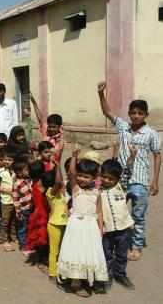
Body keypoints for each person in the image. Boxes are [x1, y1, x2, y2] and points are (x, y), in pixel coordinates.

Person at [97, 81, 161, 261]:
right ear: (129, 114)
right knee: (115, 211)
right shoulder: (123, 127)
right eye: (133, 112)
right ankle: (116, 242)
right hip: (120, 180)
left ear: (146, 115)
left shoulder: (151, 134)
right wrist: (101, 94)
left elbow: (157, 156)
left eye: (140, 113)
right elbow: (107, 112)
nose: (136, 116)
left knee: (138, 216)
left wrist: (155, 180)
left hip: (140, 181)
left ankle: (136, 246)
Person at [56, 147, 108, 297]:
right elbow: (72, 173)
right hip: (76, 226)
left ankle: (86, 278)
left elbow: (99, 211)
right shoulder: (75, 188)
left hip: (91, 227)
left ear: (94, 178)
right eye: (80, 175)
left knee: (88, 252)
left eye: (86, 177)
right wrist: (74, 157)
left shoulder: (97, 192)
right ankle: (75, 283)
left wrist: (100, 228)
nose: (82, 179)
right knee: (76, 251)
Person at [100, 159, 135, 292]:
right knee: (107, 254)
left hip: (123, 230)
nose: (107, 181)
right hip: (107, 231)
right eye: (104, 177)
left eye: (111, 178)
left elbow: (127, 171)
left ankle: (120, 274)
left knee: (121, 254)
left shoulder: (120, 187)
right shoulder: (98, 191)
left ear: (117, 179)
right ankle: (108, 276)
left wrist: (132, 156)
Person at [45, 160, 68, 285]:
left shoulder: (61, 194)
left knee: (63, 250)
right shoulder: (50, 193)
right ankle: (52, 274)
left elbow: (61, 182)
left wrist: (57, 167)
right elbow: (59, 182)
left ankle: (62, 272)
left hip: (64, 224)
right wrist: (58, 166)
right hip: (54, 224)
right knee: (54, 251)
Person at [0, 146, 17, 252]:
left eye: (10, 160)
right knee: (5, 221)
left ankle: (13, 237)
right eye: (5, 159)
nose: (7, 161)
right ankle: (5, 241)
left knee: (13, 220)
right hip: (6, 200)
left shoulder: (16, 171)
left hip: (16, 200)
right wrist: (7, 191)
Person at [12, 159, 33, 253]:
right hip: (23, 211)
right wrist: (18, 212)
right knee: (22, 229)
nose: (29, 171)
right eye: (26, 170)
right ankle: (23, 247)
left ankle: (28, 243)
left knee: (29, 227)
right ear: (19, 173)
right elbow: (15, 199)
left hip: (31, 208)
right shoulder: (17, 184)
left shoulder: (28, 180)